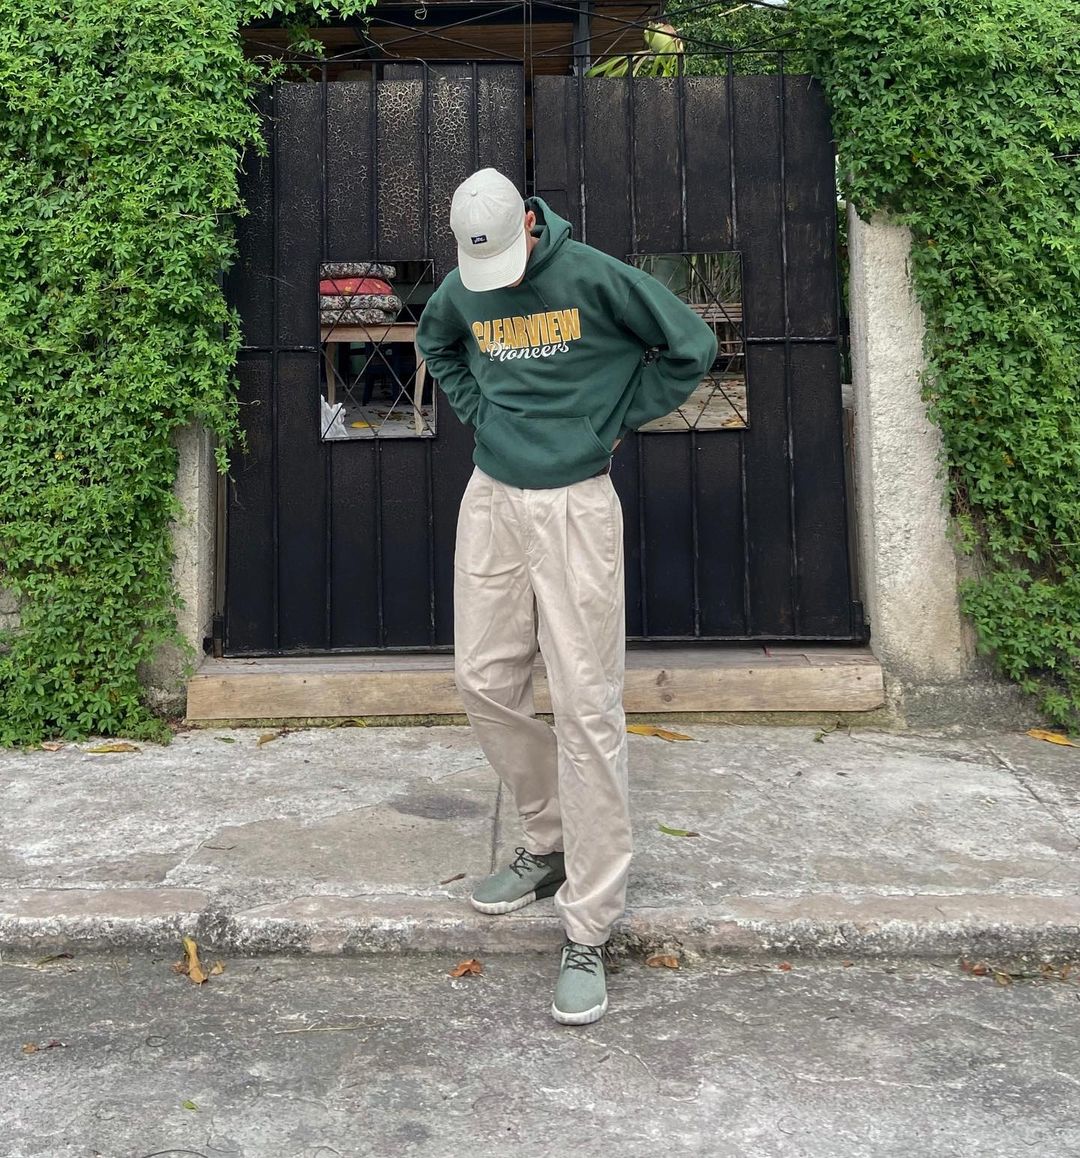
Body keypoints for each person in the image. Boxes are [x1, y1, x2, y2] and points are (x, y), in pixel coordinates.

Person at [416, 168, 717, 1025]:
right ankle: (548, 840)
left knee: (587, 707)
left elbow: (690, 346)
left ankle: (589, 922)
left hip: (576, 504)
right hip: (492, 497)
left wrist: (608, 421)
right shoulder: (462, 286)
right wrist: (482, 415)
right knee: (482, 679)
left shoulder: (594, 276)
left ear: (529, 225)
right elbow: (438, 342)